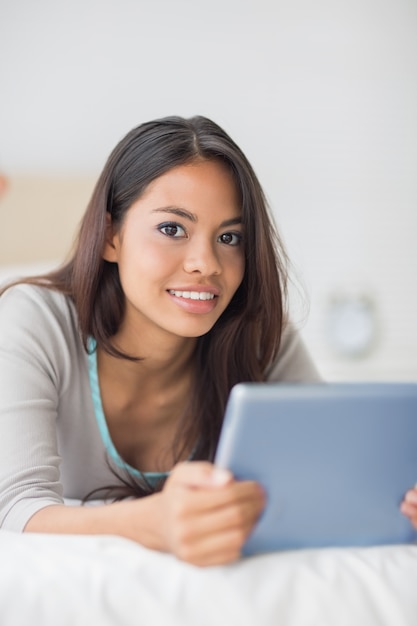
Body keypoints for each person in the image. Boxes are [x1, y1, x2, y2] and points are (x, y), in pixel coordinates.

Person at [0, 116, 414, 567]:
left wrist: (399, 497)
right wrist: (150, 522)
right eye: (172, 229)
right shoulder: (33, 319)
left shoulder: (259, 337)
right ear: (110, 235)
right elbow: (15, 509)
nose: (206, 264)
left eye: (229, 237)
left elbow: (338, 476)